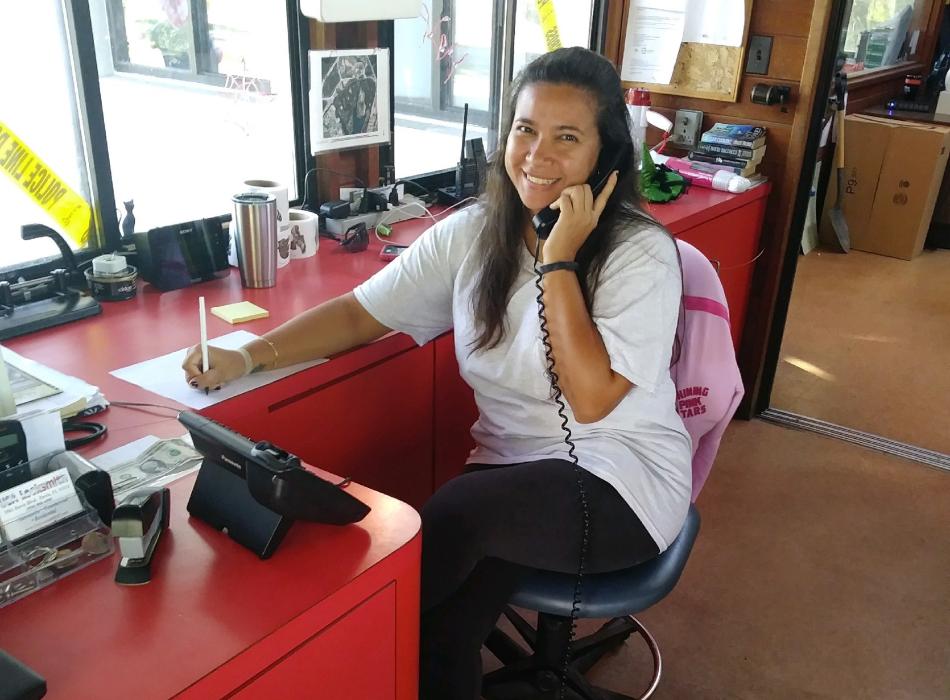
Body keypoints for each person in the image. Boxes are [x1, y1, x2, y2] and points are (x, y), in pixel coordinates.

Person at [183, 47, 690, 700]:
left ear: (606, 155)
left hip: (623, 483)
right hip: (509, 480)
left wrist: (558, 260)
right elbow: (361, 313)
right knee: (443, 635)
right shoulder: (475, 233)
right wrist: (249, 354)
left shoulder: (639, 254)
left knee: (447, 520)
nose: (538, 155)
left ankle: (333, 641)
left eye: (568, 137)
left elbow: (590, 402)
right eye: (526, 129)